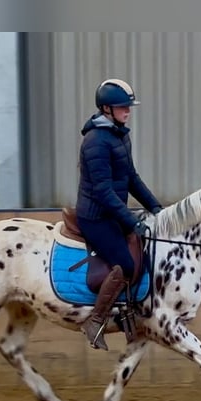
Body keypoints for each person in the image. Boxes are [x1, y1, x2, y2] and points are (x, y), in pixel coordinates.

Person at [75, 78, 163, 351]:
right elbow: (103, 192)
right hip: (95, 217)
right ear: (106, 109)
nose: (128, 111)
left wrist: (157, 209)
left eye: (128, 106)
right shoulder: (95, 142)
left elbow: (132, 178)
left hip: (113, 212)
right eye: (122, 106)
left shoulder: (119, 135)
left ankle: (127, 312)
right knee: (125, 263)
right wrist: (131, 220)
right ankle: (95, 320)